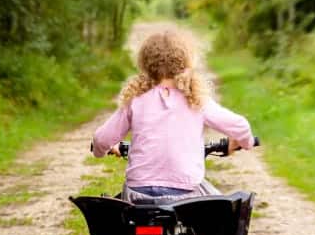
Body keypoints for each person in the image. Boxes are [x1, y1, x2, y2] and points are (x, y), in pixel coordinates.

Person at [91, 28, 255, 204]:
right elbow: (240, 126)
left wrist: (102, 150)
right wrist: (244, 142)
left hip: (138, 192)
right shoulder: (196, 100)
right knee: (222, 213)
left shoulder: (136, 100)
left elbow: (101, 139)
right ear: (185, 62)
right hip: (185, 194)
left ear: (145, 63)